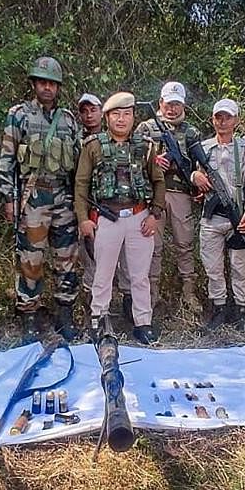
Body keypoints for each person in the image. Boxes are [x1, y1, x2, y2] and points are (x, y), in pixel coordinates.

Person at [0, 57, 81, 343]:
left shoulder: (68, 119)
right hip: (33, 198)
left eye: (52, 84)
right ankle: (29, 316)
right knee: (31, 261)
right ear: (34, 84)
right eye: (42, 82)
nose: (47, 88)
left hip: (64, 199)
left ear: (58, 87)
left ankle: (64, 314)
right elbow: (7, 158)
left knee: (66, 260)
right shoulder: (18, 115)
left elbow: (79, 164)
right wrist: (9, 197)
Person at [74, 92, 165, 345]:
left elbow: (157, 181)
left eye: (127, 114)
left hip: (139, 217)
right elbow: (81, 185)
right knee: (103, 273)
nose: (122, 119)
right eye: (116, 114)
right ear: (107, 117)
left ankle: (143, 322)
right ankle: (98, 319)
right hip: (106, 218)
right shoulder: (93, 146)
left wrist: (154, 214)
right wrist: (84, 219)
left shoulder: (145, 146)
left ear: (134, 117)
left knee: (139, 275)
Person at [131, 81, 205, 314]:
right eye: (167, 103)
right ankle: (150, 297)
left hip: (181, 194)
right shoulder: (146, 128)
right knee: (153, 247)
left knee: (185, 245)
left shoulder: (192, 132)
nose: (171, 108)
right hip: (153, 196)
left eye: (176, 104)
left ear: (183, 105)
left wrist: (198, 178)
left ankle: (189, 295)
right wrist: (153, 162)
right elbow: (130, 158)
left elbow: (201, 163)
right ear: (160, 103)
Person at [191, 99, 245, 329]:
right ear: (213, 119)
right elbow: (192, 176)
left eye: (227, 117)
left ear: (236, 120)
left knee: (239, 265)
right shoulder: (204, 147)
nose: (222, 121)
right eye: (218, 117)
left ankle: (241, 309)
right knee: (212, 265)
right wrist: (194, 177)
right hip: (212, 217)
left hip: (237, 217)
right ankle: (219, 306)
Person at [76, 93, 104, 296]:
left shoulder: (114, 138)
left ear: (102, 112)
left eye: (93, 110)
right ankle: (95, 312)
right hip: (85, 209)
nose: (89, 116)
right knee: (90, 258)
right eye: (84, 112)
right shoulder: (75, 141)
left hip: (110, 209)